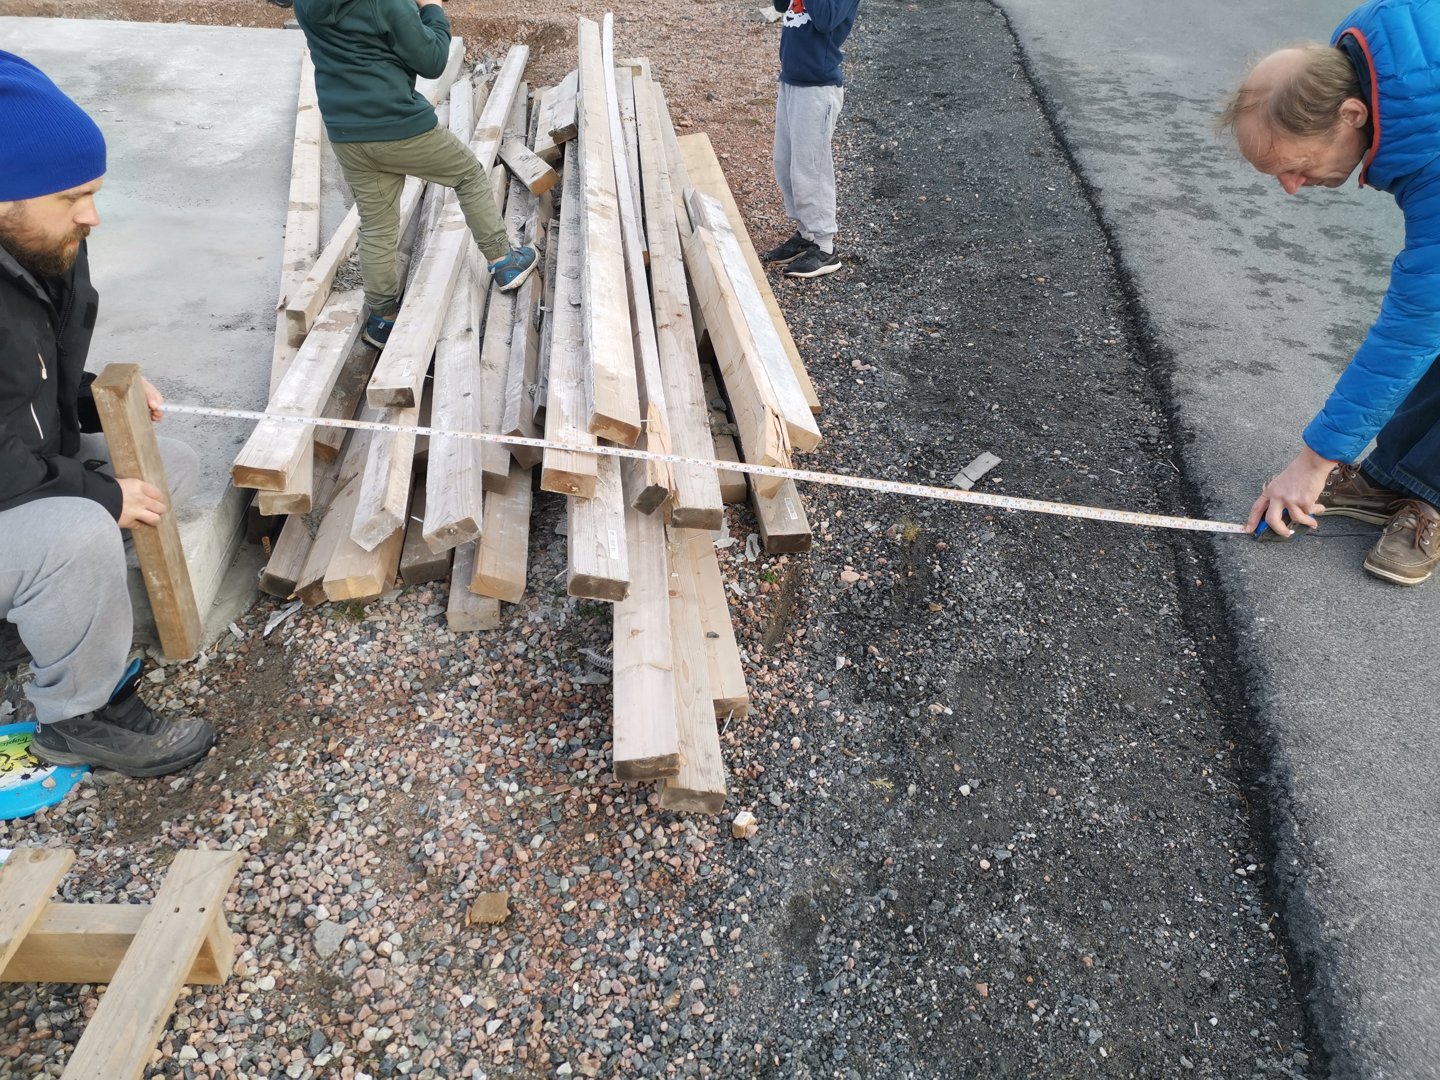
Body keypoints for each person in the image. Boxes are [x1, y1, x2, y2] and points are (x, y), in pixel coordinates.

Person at [0, 51, 216, 776]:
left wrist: (96, 399)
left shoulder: (39, 247)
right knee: (80, 530)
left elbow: (19, 384)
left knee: (163, 469)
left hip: (14, 472)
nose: (91, 215)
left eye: (93, 192)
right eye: (71, 197)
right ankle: (76, 718)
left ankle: (32, 615)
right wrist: (96, 496)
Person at [1219, 0, 1440, 586]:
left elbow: (1414, 325)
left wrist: (1314, 461)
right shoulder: (1382, 52)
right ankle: (1394, 477)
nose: (1291, 187)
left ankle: (1430, 495)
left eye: (1295, 166)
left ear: (1351, 113)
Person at [293, 0, 537, 347]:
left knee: (377, 225)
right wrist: (432, 9)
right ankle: (504, 262)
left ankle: (383, 319)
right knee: (467, 174)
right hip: (398, 125)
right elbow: (432, 61)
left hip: (347, 133)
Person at [761, 0, 861, 280]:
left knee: (811, 167)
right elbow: (781, 5)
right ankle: (806, 234)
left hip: (818, 86)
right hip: (792, 78)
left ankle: (825, 246)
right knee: (786, 162)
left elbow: (826, 19)